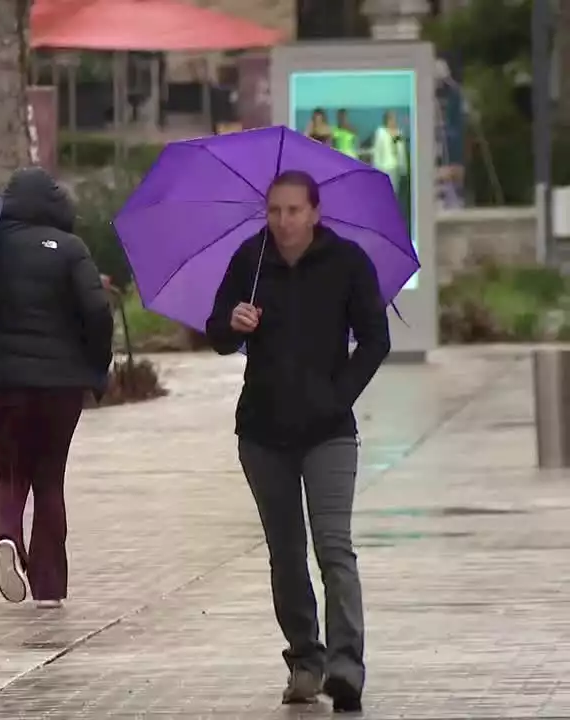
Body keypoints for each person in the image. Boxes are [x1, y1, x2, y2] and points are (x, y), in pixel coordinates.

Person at [204, 170, 391, 713]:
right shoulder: (251, 260)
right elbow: (216, 332)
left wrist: (339, 397)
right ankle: (305, 661)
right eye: (274, 211)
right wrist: (233, 323)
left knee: (333, 548)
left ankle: (346, 667)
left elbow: (376, 340)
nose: (282, 221)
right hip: (262, 433)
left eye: (293, 211)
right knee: (286, 555)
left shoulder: (347, 261)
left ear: (314, 212)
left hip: (328, 433)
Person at [0, 167, 114, 609]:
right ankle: (48, 587)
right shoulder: (72, 249)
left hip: (3, 380)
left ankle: (6, 535)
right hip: (59, 386)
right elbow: (98, 314)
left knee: (10, 470)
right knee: (49, 477)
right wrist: (96, 366)